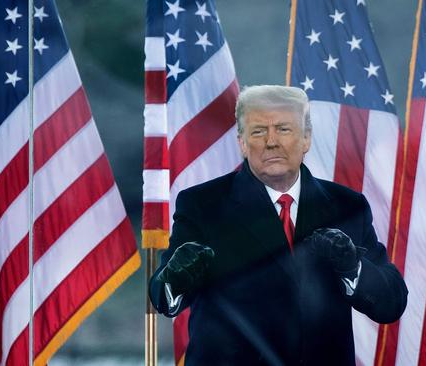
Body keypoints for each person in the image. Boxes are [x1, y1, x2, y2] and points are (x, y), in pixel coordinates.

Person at [149, 85, 408, 365]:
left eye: (284, 129)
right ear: (242, 143)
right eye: (259, 131)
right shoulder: (202, 204)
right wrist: (175, 276)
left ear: (306, 138)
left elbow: (391, 303)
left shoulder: (346, 206)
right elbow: (163, 298)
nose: (271, 142)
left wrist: (353, 267)